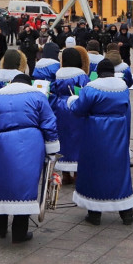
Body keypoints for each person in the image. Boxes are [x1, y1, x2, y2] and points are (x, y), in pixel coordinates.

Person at [0, 72, 59, 243]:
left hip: (2, 143)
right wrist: (52, 146)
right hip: (31, 143)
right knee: (25, 185)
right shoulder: (37, 96)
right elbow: (49, 122)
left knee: (0, 184)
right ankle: (19, 232)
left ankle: (1, 228)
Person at [68, 59, 133, 226]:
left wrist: (72, 100)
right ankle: (126, 213)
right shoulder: (123, 87)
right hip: (118, 130)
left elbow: (78, 109)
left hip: (96, 132)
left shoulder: (92, 87)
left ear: (98, 72)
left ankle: (94, 213)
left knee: (94, 168)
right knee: (119, 168)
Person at [49, 47, 90, 184]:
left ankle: (66, 174)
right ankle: (78, 173)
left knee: (64, 138)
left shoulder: (58, 74)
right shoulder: (81, 75)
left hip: (60, 108)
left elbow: (53, 92)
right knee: (78, 138)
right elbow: (86, 91)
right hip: (76, 107)